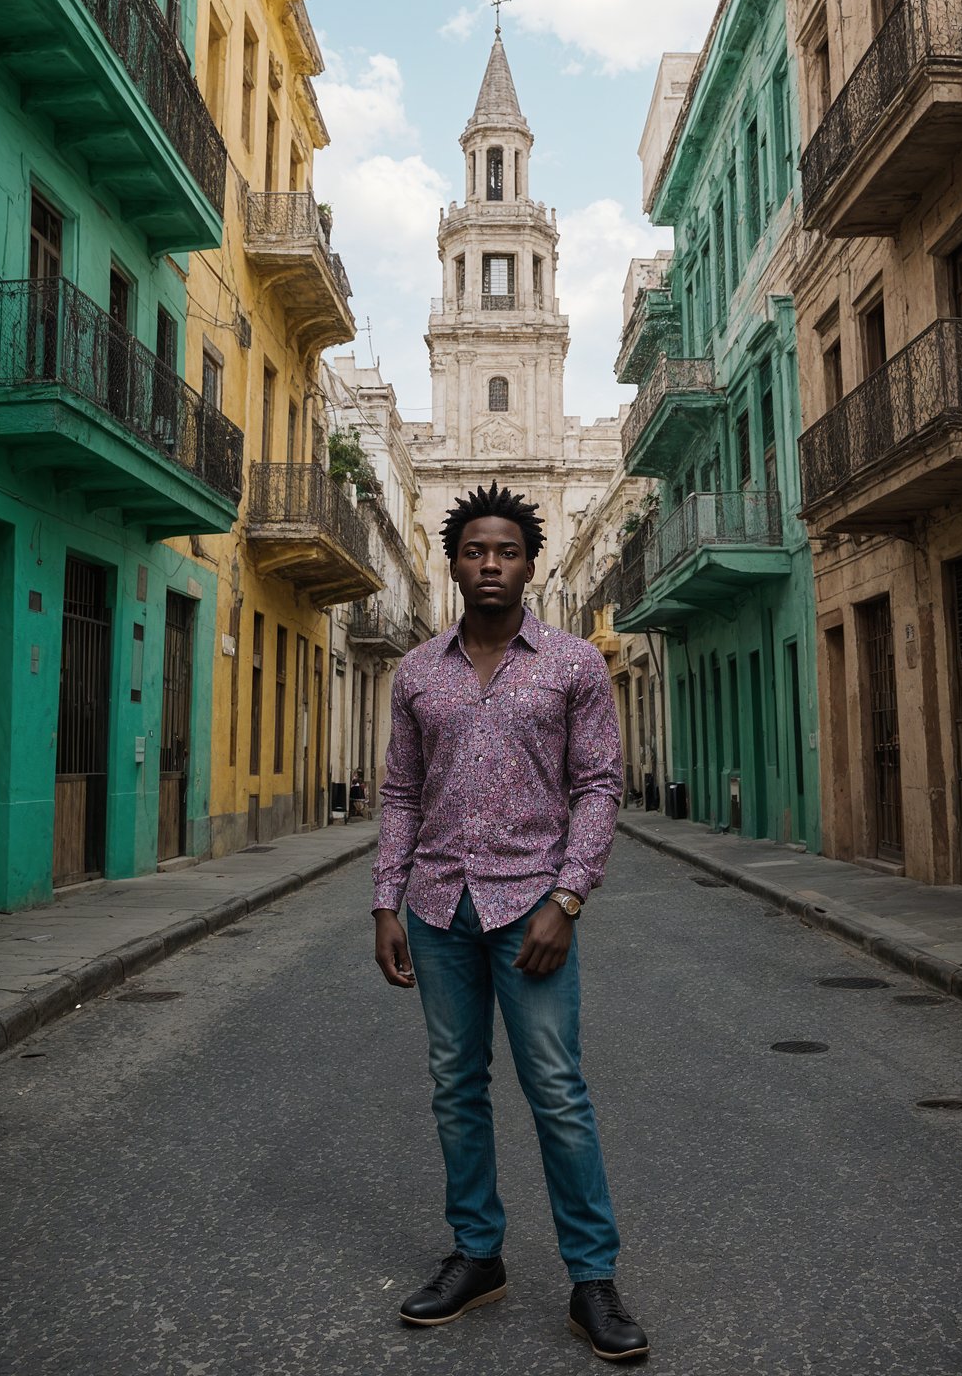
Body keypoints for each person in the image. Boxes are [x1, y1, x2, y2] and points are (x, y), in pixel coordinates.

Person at [372, 480, 648, 1362]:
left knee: (557, 1092)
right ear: (452, 563)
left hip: (532, 902)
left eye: (508, 551)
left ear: (530, 563)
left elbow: (600, 786)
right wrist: (387, 899)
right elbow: (402, 794)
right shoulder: (417, 671)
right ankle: (477, 1256)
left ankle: (592, 1278)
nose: (490, 563)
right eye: (474, 551)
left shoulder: (572, 664)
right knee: (455, 1086)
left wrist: (568, 898)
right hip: (437, 906)